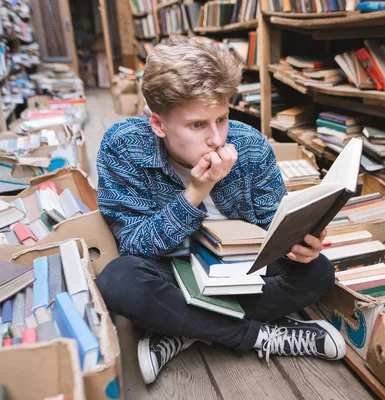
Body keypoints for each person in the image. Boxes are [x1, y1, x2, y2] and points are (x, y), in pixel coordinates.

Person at [94, 36, 346, 385]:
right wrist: (196, 192)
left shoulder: (249, 144)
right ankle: (258, 336)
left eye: (222, 118)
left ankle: (184, 329)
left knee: (317, 272)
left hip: (237, 270)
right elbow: (135, 245)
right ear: (158, 124)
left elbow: (269, 226)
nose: (216, 138)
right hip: (171, 269)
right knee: (119, 282)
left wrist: (298, 242)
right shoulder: (123, 146)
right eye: (197, 125)